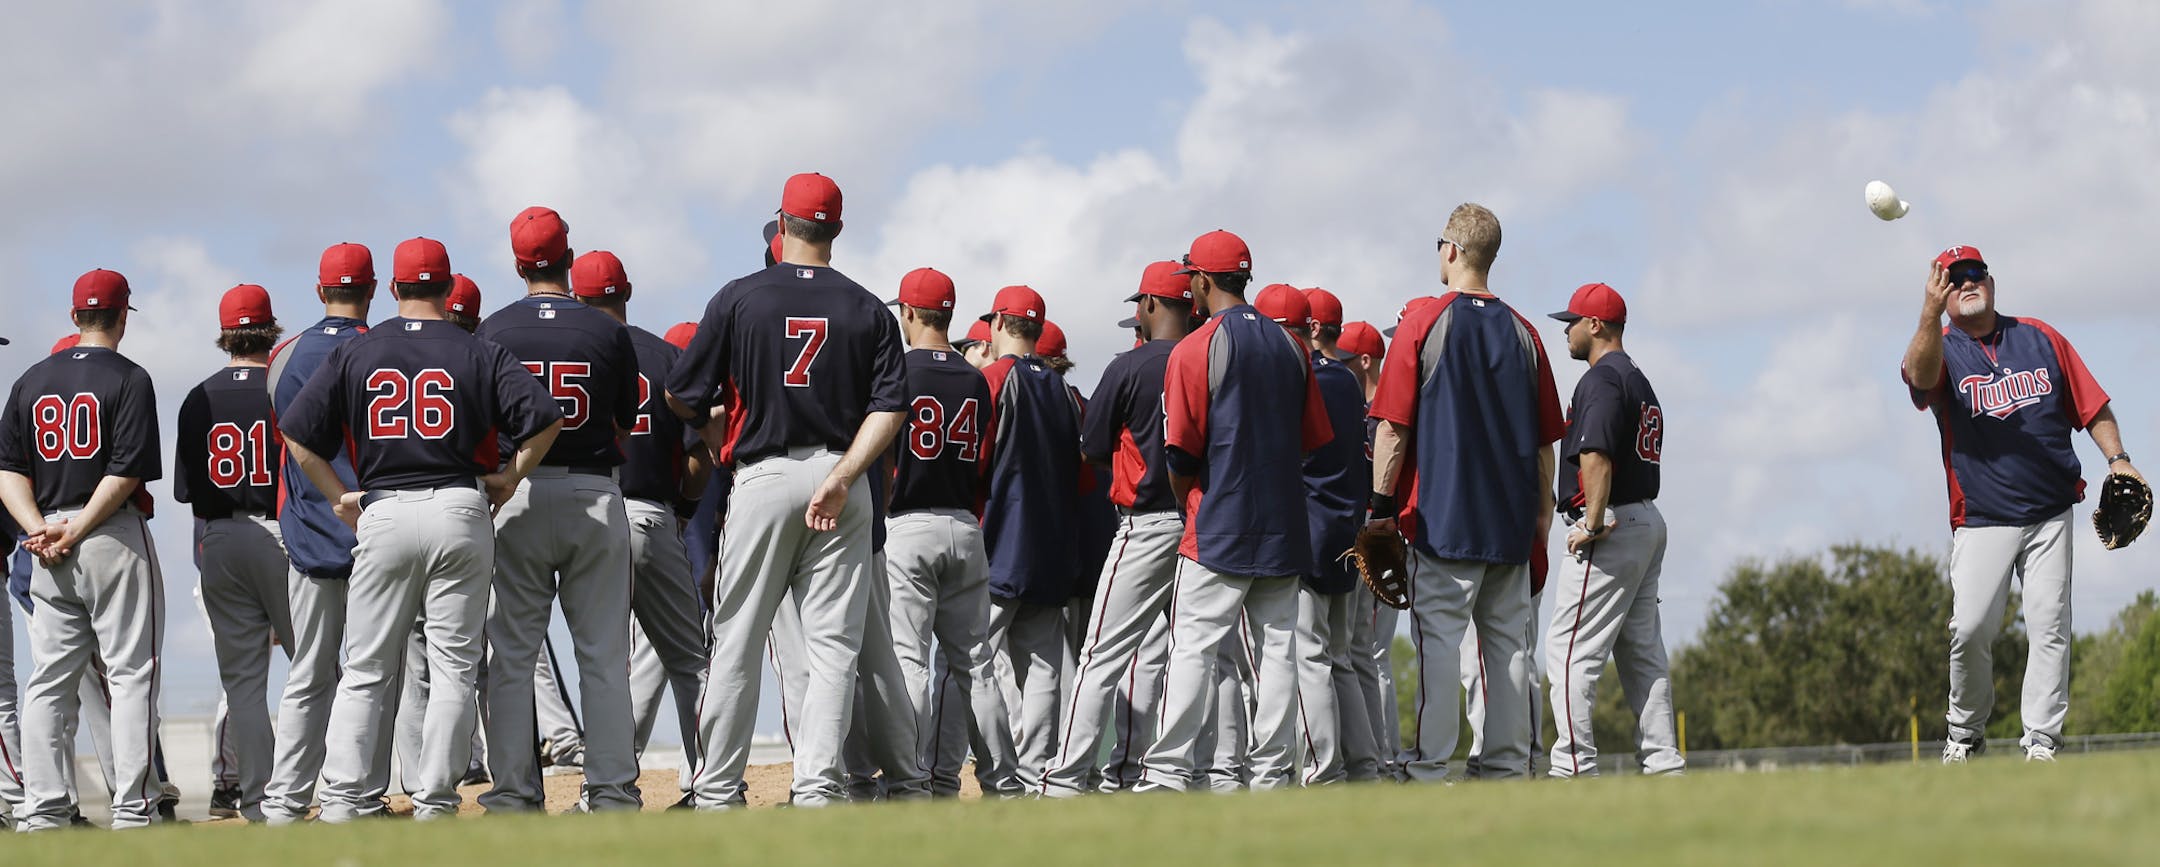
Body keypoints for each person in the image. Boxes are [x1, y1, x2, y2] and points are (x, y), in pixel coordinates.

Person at [279, 237, 563, 821]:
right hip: (459, 505)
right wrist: (510, 476)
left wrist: (340, 498)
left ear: (394, 287)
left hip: (382, 508)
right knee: (454, 665)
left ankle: (343, 801)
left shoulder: (362, 348)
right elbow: (544, 418)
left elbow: (298, 436)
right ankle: (435, 800)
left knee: (364, 669)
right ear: (448, 285)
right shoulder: (474, 347)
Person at [669, 172, 907, 808]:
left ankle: (717, 789)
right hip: (842, 476)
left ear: (782, 222)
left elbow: (681, 393)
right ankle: (818, 789)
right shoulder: (869, 308)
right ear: (836, 229)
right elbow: (890, 409)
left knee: (738, 636)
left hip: (764, 475)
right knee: (834, 649)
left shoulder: (740, 297)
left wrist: (713, 424)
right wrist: (843, 476)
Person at [1900, 245, 2142, 763]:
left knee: (2049, 625)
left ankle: (2042, 743)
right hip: (1982, 515)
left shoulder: (2040, 337)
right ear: (1942, 291)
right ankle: (1965, 733)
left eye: (1975, 273)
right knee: (1969, 629)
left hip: (2050, 509)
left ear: (1991, 281)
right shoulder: (1941, 348)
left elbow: (2092, 404)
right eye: (1954, 277)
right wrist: (1927, 313)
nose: (1967, 282)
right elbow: (1919, 380)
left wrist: (2118, 459)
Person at [1366, 204, 1562, 782]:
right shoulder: (1526, 332)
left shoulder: (1424, 321)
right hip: (1509, 523)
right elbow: (1546, 447)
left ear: (1451, 249)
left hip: (1442, 520)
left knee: (1439, 650)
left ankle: (1428, 768)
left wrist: (1378, 509)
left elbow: (1393, 427)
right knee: (1507, 653)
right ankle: (1505, 768)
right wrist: (1542, 522)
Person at [1138, 231, 1332, 792]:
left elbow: (1179, 453)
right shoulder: (1292, 347)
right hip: (1282, 520)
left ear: (1201, 280)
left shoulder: (1196, 346)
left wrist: (1184, 499)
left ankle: (1170, 769)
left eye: (1191, 275)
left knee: (1194, 646)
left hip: (1218, 517)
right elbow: (1309, 440)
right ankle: (1273, 773)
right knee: (1278, 650)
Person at [475, 208, 644, 812]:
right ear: (569, 258)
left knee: (512, 655)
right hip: (592, 493)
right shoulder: (606, 331)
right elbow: (627, 420)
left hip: (514, 492)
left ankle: (516, 793)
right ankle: (613, 791)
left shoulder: (491, 331)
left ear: (517, 264)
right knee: (601, 653)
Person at [0, 270, 166, 831]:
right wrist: (79, 526)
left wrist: (38, 528)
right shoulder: (130, 377)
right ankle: (133, 808)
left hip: (45, 540)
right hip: (107, 534)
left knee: (49, 678)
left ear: (74, 317)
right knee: (130, 674)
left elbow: (7, 472)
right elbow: (126, 472)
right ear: (122, 317)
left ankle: (44, 809)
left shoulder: (29, 379)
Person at [1041, 261, 1195, 797]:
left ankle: (1064, 779)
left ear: (1150, 305)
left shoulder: (1128, 366)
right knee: (1196, 653)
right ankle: (1182, 773)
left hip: (1146, 522)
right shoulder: (1207, 356)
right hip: (1204, 526)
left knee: (1101, 655)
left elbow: (1092, 446)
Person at [570, 250, 712, 803]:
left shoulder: (575, 349)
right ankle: (716, 784)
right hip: (654, 516)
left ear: (579, 298)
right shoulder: (666, 355)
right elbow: (702, 454)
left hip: (591, 513)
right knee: (689, 662)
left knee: (606, 661)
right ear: (626, 293)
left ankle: (604, 793)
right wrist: (681, 510)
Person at [876, 268, 1018, 797]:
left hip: (910, 523)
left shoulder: (896, 371)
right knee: (976, 664)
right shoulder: (975, 378)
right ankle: (1004, 782)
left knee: (909, 659)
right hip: (963, 523)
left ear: (909, 313)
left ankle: (909, 780)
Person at [1539, 283, 1681, 777]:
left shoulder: (1601, 378)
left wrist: (1594, 521)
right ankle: (1665, 766)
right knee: (1643, 654)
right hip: (1646, 520)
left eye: (1572, 321)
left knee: (1569, 650)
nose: (1567, 331)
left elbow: (1594, 453)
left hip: (1613, 523)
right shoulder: (1636, 377)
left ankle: (1573, 767)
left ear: (1595, 325)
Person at [262, 242, 383, 824]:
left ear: (319, 290)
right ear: (373, 289)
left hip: (310, 526)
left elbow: (289, 440)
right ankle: (361, 795)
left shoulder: (285, 355)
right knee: (374, 672)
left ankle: (285, 802)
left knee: (308, 673)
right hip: (376, 526)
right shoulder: (383, 349)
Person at [174, 285, 293, 820]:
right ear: (270, 328)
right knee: (317, 666)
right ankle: (344, 788)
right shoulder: (286, 385)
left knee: (243, 683)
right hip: (280, 533)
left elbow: (187, 493)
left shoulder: (198, 396)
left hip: (219, 535)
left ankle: (257, 800)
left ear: (226, 334)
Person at [1261, 285, 1377, 785]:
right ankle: (1367, 766)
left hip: (1308, 527)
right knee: (1341, 658)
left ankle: (1323, 770)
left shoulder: (1295, 379)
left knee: (1309, 655)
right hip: (1347, 528)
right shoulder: (1349, 382)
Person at [974, 284, 1085, 792]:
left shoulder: (994, 377)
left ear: (998, 323)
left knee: (974, 660)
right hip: (1053, 544)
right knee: (1043, 666)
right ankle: (1038, 771)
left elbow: (975, 462)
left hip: (999, 542)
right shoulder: (1067, 392)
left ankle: (999, 774)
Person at [1331, 317, 1396, 770]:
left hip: (1381, 540)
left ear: (1364, 360)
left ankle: (1383, 756)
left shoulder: (1382, 409)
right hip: (1366, 536)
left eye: (1346, 358)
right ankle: (1377, 755)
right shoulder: (1356, 406)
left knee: (1370, 652)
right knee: (1365, 652)